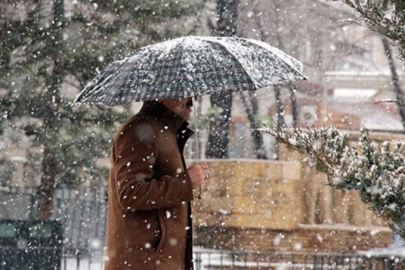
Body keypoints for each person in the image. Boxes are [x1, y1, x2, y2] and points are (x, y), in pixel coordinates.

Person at [104, 97, 209, 270]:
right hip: (145, 263)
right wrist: (186, 182)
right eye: (185, 92)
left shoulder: (163, 131)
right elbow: (130, 193)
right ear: (163, 92)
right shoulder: (139, 131)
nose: (193, 99)